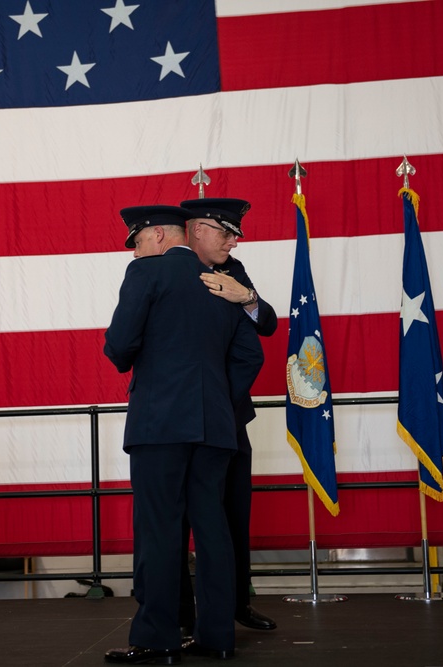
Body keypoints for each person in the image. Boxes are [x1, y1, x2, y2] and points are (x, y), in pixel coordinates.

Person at [103, 205, 265, 664]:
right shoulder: (224, 283)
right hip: (215, 425)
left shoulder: (146, 273)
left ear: (155, 236)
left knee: (159, 528)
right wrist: (212, 398)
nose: (134, 253)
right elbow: (250, 357)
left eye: (135, 243)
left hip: (160, 423)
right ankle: (216, 637)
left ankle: (158, 638)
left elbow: (119, 345)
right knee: (212, 528)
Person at [177, 197, 279, 634]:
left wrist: (248, 298)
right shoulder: (169, 269)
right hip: (183, 416)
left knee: (234, 512)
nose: (235, 241)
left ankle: (238, 602)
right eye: (226, 232)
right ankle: (181, 614)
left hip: (230, 416)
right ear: (198, 229)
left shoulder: (234, 272)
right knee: (179, 519)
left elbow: (268, 324)